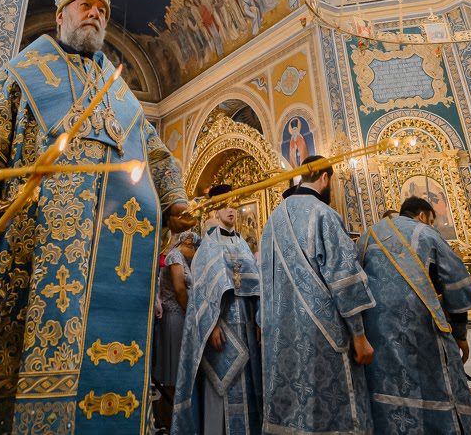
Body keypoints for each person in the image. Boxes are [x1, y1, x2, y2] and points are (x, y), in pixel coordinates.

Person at [0, 0, 192, 432]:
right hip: (30, 251)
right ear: (61, 15)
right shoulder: (24, 73)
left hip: (110, 260)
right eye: (85, 6)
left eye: (102, 10)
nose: (95, 15)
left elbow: (155, 153)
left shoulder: (120, 94)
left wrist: (175, 200)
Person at [259, 155, 375, 435]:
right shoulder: (323, 214)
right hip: (322, 334)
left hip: (280, 334)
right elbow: (344, 276)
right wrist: (359, 335)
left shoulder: (272, 221)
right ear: (325, 178)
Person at [360, 197, 471, 434]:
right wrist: (460, 332)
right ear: (423, 216)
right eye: (432, 219)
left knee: (385, 380)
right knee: (433, 380)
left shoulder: (368, 235)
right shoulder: (426, 233)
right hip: (420, 323)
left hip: (377, 326)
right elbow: (455, 281)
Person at [172, 185, 262, 435]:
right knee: (221, 388)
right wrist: (212, 326)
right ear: (215, 210)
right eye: (224, 205)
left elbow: (257, 288)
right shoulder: (208, 247)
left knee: (249, 387)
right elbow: (201, 293)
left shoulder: (243, 244)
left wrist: (259, 320)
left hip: (247, 327)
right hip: (222, 327)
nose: (230, 210)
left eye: (233, 205)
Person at [154, 231, 199, 404]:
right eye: (194, 247)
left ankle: (178, 411)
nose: (195, 252)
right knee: (173, 370)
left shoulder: (182, 258)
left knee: (180, 368)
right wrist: (191, 315)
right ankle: (172, 412)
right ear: (187, 242)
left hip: (181, 315)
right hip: (175, 317)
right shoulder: (174, 257)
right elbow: (180, 290)